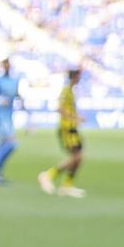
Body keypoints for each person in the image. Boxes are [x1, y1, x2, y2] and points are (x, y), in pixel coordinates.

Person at [38, 68, 87, 198]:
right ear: (74, 77)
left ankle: (67, 185)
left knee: (79, 157)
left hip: (72, 129)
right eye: (78, 76)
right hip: (67, 129)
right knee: (76, 157)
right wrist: (75, 118)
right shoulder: (66, 91)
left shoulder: (70, 91)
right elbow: (59, 108)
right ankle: (48, 175)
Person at [0, 58, 23, 185]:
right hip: (0, 117)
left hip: (9, 117)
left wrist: (27, 113)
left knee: (3, 145)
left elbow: (17, 96)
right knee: (12, 143)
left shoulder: (14, 81)